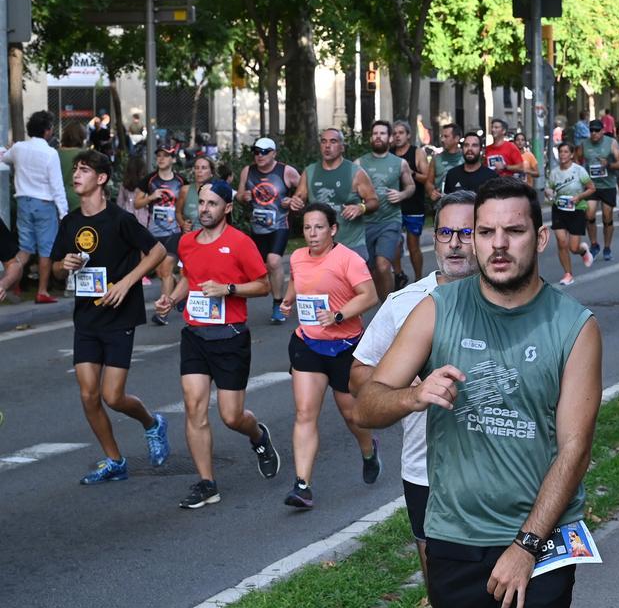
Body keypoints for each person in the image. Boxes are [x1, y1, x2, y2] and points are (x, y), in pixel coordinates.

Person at [356, 177, 603, 608]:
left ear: (541, 238)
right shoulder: (437, 308)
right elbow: (367, 405)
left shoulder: (575, 326)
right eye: (486, 232)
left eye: (515, 231)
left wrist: (526, 546)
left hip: (540, 542)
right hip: (455, 537)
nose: (498, 245)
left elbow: (575, 449)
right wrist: (411, 398)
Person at [350, 190, 480, 587]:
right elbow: (360, 373)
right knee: (441, 583)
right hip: (427, 467)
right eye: (445, 233)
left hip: (500, 466)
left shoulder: (509, 298)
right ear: (433, 237)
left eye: (466, 232)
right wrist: (410, 386)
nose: (455, 243)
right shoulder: (405, 302)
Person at [154, 180, 281, 509]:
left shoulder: (240, 243)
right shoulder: (187, 243)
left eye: (212, 204)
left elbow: (263, 285)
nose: (205, 209)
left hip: (230, 336)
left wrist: (229, 290)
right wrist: (171, 299)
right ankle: (206, 483)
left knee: (231, 416)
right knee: (194, 406)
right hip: (195, 335)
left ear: (226, 208)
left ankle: (258, 436)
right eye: (202, 203)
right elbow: (189, 280)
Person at [51, 150, 170, 484]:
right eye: (75, 170)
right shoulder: (71, 222)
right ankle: (114, 460)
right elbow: (57, 267)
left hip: (119, 316)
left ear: (101, 179)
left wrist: (127, 281)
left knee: (113, 396)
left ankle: (152, 423)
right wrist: (66, 265)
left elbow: (158, 251)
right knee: (88, 395)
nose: (76, 175)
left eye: (84, 170)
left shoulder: (120, 219)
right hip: (87, 317)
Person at [276, 203, 380, 509]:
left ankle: (368, 449)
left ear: (333, 229)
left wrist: (337, 315)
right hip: (308, 343)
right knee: (305, 412)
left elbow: (369, 296)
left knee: (351, 414)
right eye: (307, 228)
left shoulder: (348, 259)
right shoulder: (296, 257)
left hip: (345, 346)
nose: (312, 234)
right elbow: (298, 280)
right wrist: (287, 300)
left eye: (318, 227)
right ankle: (302, 485)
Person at [4, 111, 69, 304]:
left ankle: (11, 284)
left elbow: (5, 157)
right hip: (45, 204)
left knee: (24, 249)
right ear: (48, 131)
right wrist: (64, 213)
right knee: (46, 250)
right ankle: (42, 291)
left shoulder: (19, 149)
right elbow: (57, 186)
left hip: (24, 202)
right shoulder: (50, 153)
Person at [287, 128, 380, 263]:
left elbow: (374, 201)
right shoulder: (310, 171)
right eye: (324, 142)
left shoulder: (355, 172)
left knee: (356, 284)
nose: (327, 146)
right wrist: (295, 204)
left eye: (333, 141)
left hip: (351, 245)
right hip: (320, 246)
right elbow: (298, 201)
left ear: (342, 147)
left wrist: (361, 208)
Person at [237, 137, 299, 324]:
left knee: (273, 261)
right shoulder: (248, 171)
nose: (260, 156)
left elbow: (304, 190)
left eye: (264, 152)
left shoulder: (286, 171)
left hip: (279, 225)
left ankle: (278, 304)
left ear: (274, 153)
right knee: (255, 268)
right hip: (257, 227)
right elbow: (239, 195)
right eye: (256, 152)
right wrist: (243, 196)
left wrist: (293, 200)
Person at [358, 120, 415, 301]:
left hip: (390, 220)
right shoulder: (359, 163)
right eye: (375, 133)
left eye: (382, 133)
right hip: (366, 222)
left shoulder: (400, 163)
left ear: (390, 138)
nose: (378, 137)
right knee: (371, 267)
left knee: (383, 265)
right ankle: (382, 301)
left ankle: (388, 306)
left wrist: (402, 195)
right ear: (371, 138)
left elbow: (411, 186)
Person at [135, 146, 184, 324]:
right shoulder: (149, 180)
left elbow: (186, 204)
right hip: (153, 233)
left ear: (172, 159)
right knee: (160, 271)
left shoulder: (180, 181)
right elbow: (137, 204)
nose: (161, 159)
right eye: (159, 156)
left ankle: (162, 313)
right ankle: (179, 287)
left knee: (165, 270)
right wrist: (150, 197)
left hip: (174, 232)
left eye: (166, 156)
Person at [545, 142, 596, 285]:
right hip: (559, 209)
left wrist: (579, 197)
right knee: (561, 242)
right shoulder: (555, 172)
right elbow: (548, 188)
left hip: (577, 209)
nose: (563, 155)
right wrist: (549, 193)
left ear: (572, 155)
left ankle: (583, 251)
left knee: (573, 248)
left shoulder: (579, 170)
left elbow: (592, 188)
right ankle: (568, 274)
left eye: (566, 152)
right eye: (561, 152)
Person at [579, 119, 619, 261]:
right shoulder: (584, 144)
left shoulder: (611, 143)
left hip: (608, 185)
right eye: (592, 130)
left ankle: (607, 247)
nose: (594, 133)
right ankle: (594, 244)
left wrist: (608, 164)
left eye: (597, 130)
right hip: (591, 186)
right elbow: (576, 160)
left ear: (603, 131)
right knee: (589, 214)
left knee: (607, 217)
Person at [392, 121, 428, 285]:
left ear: (408, 135)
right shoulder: (389, 154)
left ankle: (419, 279)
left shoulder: (417, 152)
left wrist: (409, 171)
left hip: (414, 205)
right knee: (394, 244)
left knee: (413, 246)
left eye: (401, 133)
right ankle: (399, 275)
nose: (397, 136)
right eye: (395, 133)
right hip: (393, 207)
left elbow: (426, 177)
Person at [429, 122, 464, 203]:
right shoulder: (436, 159)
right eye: (442, 136)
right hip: (441, 206)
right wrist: (432, 191)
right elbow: (429, 182)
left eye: (446, 136)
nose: (442, 140)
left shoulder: (466, 158)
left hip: (463, 205)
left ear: (457, 138)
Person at [58, 122, 89, 212]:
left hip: (57, 197)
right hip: (78, 198)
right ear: (82, 137)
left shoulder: (54, 154)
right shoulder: (85, 155)